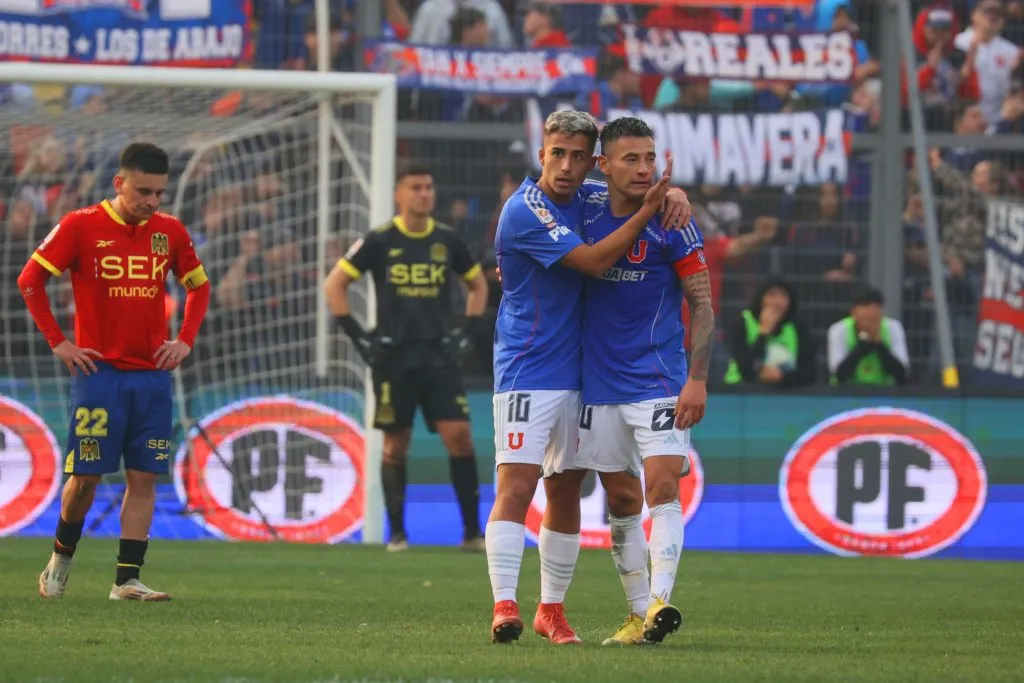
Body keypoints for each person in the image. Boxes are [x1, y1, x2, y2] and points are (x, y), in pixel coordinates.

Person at [487, 109, 691, 645]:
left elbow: (633, 186)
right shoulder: (526, 209)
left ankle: (551, 610)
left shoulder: (590, 199)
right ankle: (504, 604)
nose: (567, 166)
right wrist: (653, 205)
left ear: (591, 163)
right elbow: (597, 262)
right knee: (517, 484)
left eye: (579, 156)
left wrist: (674, 197)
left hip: (583, 373)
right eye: (558, 153)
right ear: (542, 153)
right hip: (528, 368)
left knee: (566, 490)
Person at [18, 142, 211, 601]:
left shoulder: (170, 232)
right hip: (99, 375)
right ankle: (59, 562)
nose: (152, 201)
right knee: (84, 479)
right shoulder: (81, 225)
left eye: (160, 193)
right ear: (118, 183)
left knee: (144, 476)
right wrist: (59, 343)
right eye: (144, 191)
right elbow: (31, 280)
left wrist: (185, 339)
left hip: (151, 378)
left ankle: (126, 580)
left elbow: (199, 288)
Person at [551, 117, 712, 646]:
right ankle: (640, 613)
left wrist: (698, 378)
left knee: (662, 486)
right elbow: (539, 210)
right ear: (604, 167)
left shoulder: (673, 218)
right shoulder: (585, 205)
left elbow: (703, 304)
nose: (645, 169)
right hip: (596, 384)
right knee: (620, 498)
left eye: (650, 158)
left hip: (660, 378)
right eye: (631, 160)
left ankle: (662, 598)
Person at [325, 163, 490, 552]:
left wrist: (466, 332)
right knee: (396, 445)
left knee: (461, 438)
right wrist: (359, 337)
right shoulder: (380, 240)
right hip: (394, 359)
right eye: (415, 187)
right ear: (399, 194)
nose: (424, 194)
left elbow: (477, 284)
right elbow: (335, 284)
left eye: (429, 187)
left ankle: (471, 534)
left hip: (439, 357)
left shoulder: (447, 241)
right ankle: (397, 534)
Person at [724, 276, 816, 387]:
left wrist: (782, 377)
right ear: (761, 299)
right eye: (772, 295)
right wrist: (763, 333)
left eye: (783, 296)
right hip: (740, 392)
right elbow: (746, 370)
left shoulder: (798, 327)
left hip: (785, 393)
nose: (777, 302)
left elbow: (810, 373)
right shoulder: (742, 323)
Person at [827, 287, 910, 385]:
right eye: (866, 306)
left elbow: (901, 373)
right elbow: (839, 374)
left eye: (877, 307)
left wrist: (879, 345)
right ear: (853, 311)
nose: (872, 312)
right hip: (847, 393)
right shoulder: (839, 329)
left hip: (885, 394)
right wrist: (864, 343)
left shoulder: (893, 327)